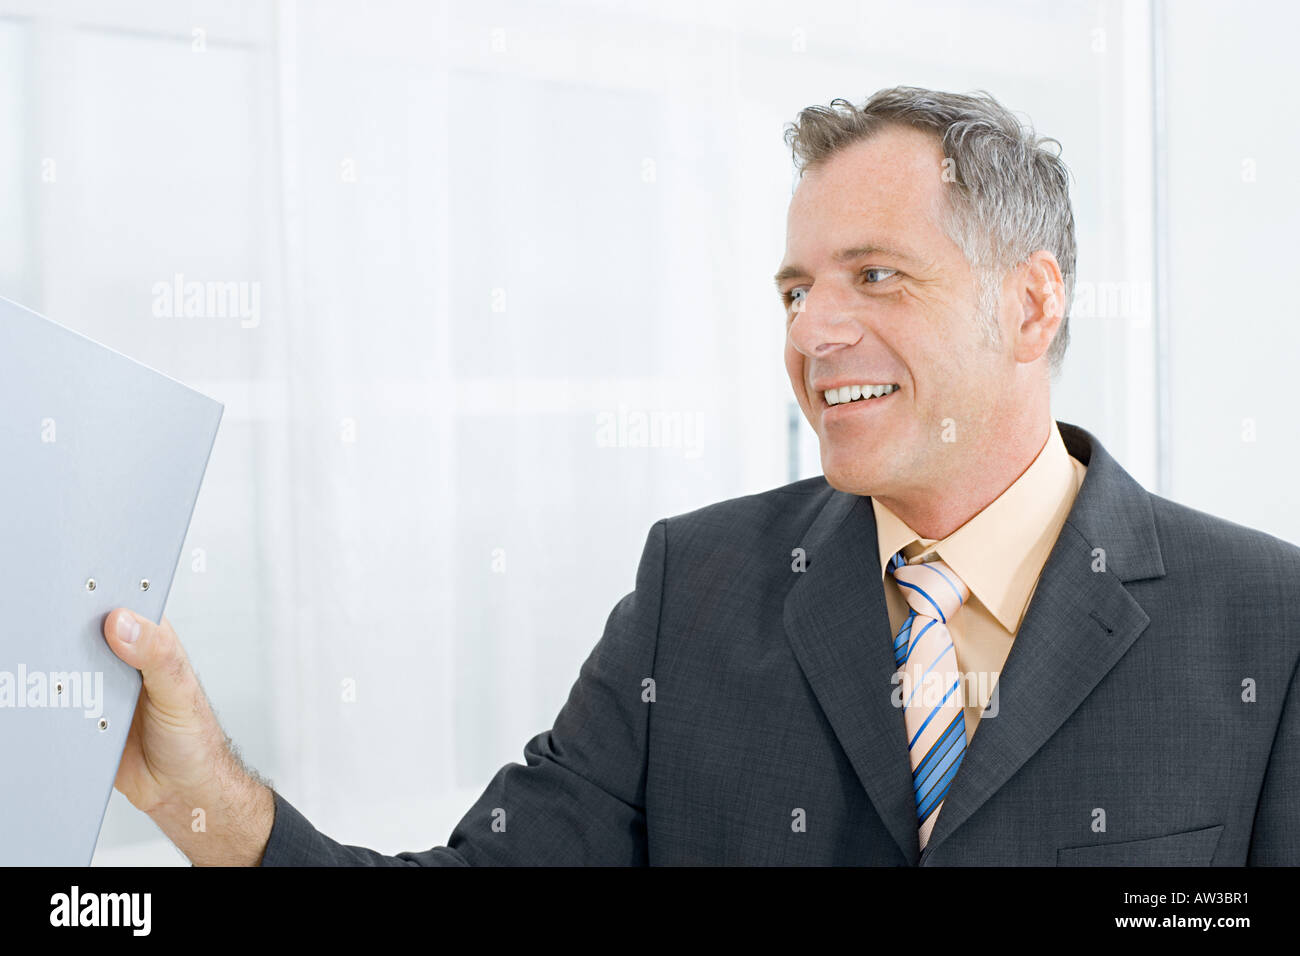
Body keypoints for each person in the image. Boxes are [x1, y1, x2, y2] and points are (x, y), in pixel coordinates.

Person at [102, 86, 1300, 865]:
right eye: (795, 290)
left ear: (1029, 303)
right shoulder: (699, 586)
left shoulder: (1266, 623)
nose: (813, 332)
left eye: (874, 276)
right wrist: (201, 795)